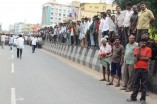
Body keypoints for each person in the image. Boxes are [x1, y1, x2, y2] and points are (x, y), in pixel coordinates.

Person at [127, 37, 152, 104]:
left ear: (147, 43)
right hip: (137, 68)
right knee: (136, 84)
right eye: (142, 42)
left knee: (144, 84)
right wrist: (140, 49)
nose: (143, 43)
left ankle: (143, 99)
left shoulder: (149, 49)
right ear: (139, 42)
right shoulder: (137, 49)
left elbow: (147, 58)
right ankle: (133, 97)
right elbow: (136, 57)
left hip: (144, 69)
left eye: (144, 42)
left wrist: (140, 58)